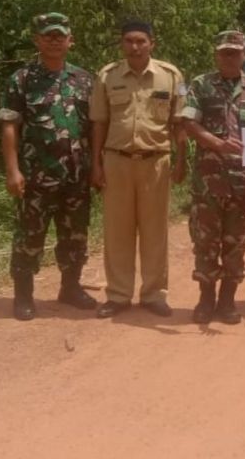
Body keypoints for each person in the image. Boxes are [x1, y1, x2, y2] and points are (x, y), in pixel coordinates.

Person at [0, 12, 97, 321]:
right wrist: (12, 171)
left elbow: (94, 127)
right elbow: (9, 127)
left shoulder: (85, 80)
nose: (54, 40)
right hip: (36, 176)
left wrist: (97, 166)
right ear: (37, 40)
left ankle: (70, 287)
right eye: (48, 35)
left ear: (70, 40)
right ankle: (24, 296)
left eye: (60, 35)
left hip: (76, 176)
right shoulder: (22, 79)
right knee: (29, 237)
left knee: (75, 236)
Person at [89, 20, 188, 319]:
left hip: (156, 161)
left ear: (151, 43)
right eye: (129, 41)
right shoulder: (107, 75)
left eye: (140, 41)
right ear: (122, 43)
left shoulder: (170, 76)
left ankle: (154, 294)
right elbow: (99, 122)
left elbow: (179, 123)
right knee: (117, 232)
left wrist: (182, 160)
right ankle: (118, 295)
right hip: (116, 160)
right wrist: (95, 164)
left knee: (154, 232)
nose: (135, 47)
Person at [180, 29, 245, 324]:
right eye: (224, 52)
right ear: (216, 54)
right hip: (209, 180)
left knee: (237, 242)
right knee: (206, 241)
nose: (229, 57)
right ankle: (206, 299)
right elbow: (188, 122)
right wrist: (216, 143)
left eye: (235, 52)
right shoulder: (200, 84)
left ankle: (227, 301)